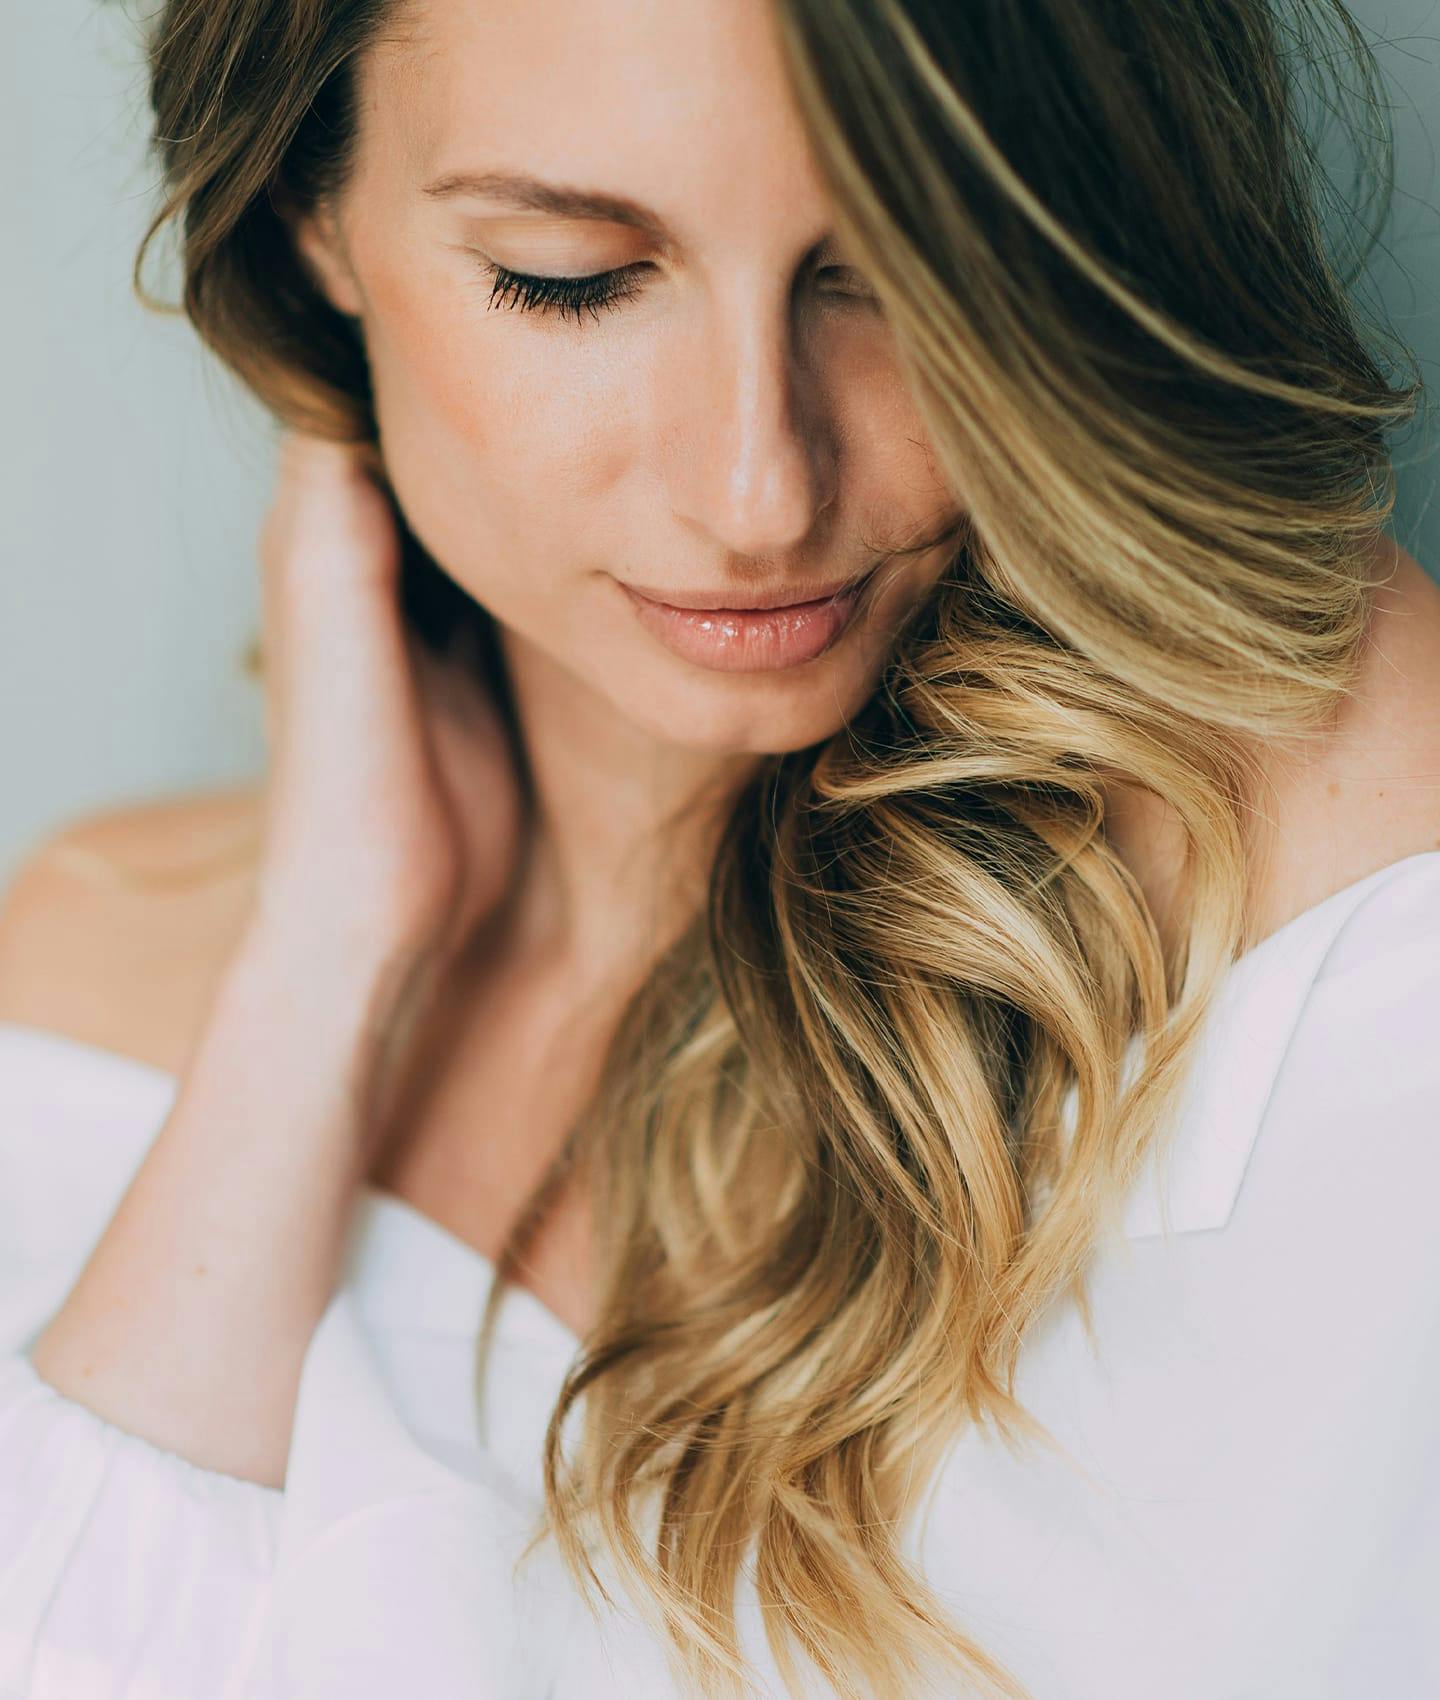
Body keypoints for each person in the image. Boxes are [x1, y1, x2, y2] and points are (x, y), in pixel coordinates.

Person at [1, 0, 1437, 1695]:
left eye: (903, 271)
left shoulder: (1338, 883)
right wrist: (321, 962)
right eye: (569, 276)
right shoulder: (87, 955)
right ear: (313, 219)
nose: (760, 490)